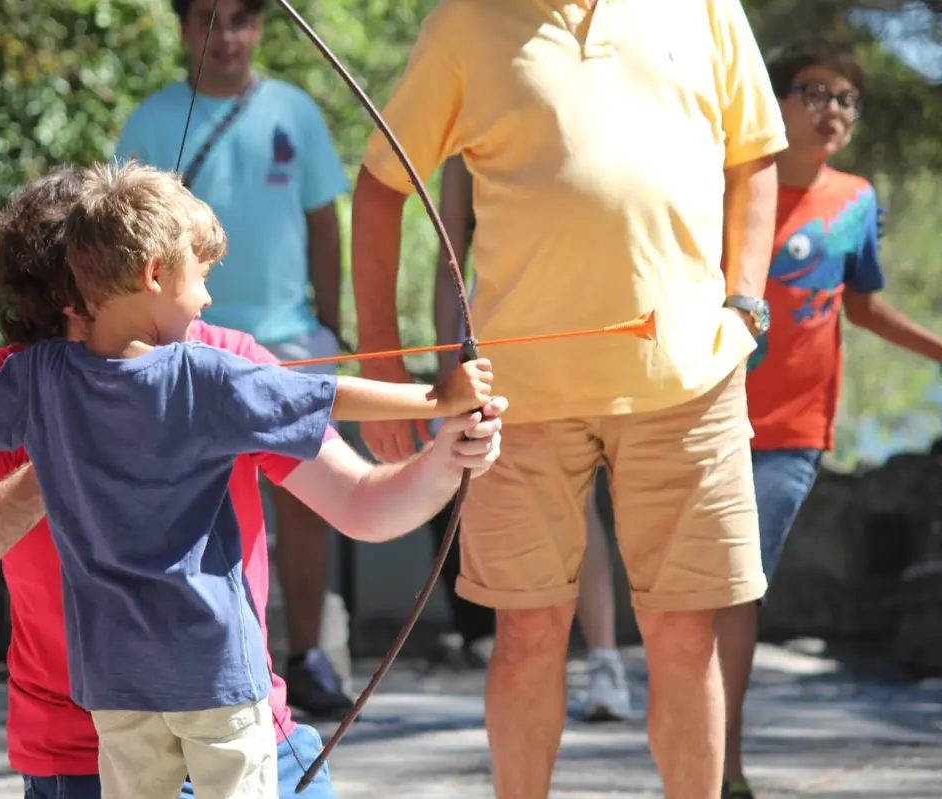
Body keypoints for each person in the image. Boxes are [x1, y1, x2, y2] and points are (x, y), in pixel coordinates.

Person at [0, 165, 507, 799]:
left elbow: (363, 505)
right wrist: (64, 461)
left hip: (237, 721)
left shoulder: (210, 363)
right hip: (84, 755)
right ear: (73, 299)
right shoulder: (27, 384)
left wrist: (446, 450)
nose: (204, 296)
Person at [349, 0, 787, 795]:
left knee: (686, 638)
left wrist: (746, 304)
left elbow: (754, 156)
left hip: (690, 381)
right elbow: (381, 187)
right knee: (527, 635)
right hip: (521, 397)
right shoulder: (466, 21)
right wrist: (385, 364)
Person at [113, 0, 354, 719]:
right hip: (184, 345)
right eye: (211, 21)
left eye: (244, 20)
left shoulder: (295, 111)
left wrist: (329, 328)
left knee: (310, 496)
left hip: (286, 339)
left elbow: (324, 221)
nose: (228, 37)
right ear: (185, 29)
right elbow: (117, 241)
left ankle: (307, 656)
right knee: (186, 506)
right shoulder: (150, 123)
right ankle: (196, 658)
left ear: (262, 29)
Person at [717, 37, 942, 799]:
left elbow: (864, 305)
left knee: (737, 586)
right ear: (773, 103)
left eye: (846, 98)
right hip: (702, 419)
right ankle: (699, 751)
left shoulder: (857, 199)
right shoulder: (725, 187)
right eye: (814, 91)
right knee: (695, 592)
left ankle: (722, 765)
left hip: (791, 436)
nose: (833, 109)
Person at [427, 155, 632, 722]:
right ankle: (527, 664)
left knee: (580, 505)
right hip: (496, 352)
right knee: (503, 501)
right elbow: (451, 263)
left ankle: (604, 661)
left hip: (570, 340)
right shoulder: (464, 148)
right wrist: (449, 364)